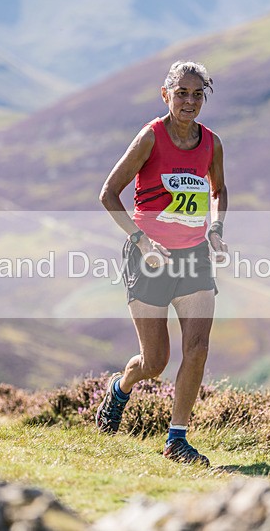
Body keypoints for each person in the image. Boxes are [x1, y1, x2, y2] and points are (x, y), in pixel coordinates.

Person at [97, 60, 228, 466]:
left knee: (198, 347)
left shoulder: (211, 143)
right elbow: (108, 194)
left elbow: (219, 189)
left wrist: (216, 230)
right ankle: (120, 388)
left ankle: (176, 440)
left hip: (194, 259)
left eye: (197, 94)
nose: (189, 101)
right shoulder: (150, 138)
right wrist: (142, 240)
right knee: (154, 362)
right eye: (182, 93)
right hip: (148, 259)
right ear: (165, 94)